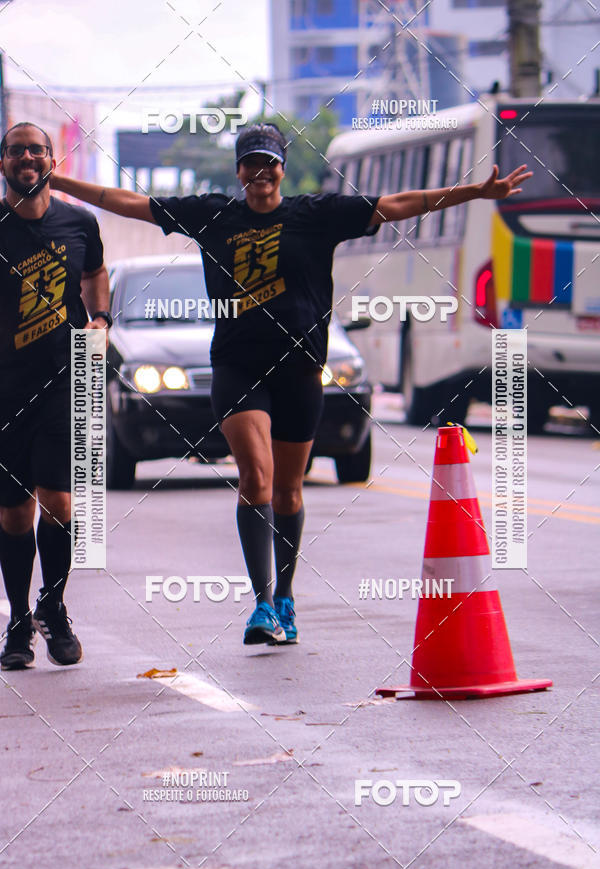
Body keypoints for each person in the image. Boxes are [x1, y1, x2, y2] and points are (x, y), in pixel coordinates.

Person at [50, 122, 531, 647]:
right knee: (256, 477)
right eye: (251, 163)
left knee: (288, 489)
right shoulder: (214, 214)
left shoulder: (315, 215)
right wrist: (62, 182)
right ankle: (261, 604)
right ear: (239, 171)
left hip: (301, 370)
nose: (261, 173)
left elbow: (401, 203)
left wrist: (476, 193)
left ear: (282, 167)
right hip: (237, 368)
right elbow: (124, 200)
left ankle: (285, 597)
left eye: (270, 162)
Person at [0, 122, 111, 670]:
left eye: (37, 149)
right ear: (3, 163)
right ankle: (18, 624)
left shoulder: (79, 221)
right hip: (4, 389)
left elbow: (96, 274)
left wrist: (102, 319)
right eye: (17, 149)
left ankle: (54, 606)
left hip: (67, 382)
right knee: (14, 515)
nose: (27, 156)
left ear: (51, 160)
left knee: (62, 504)